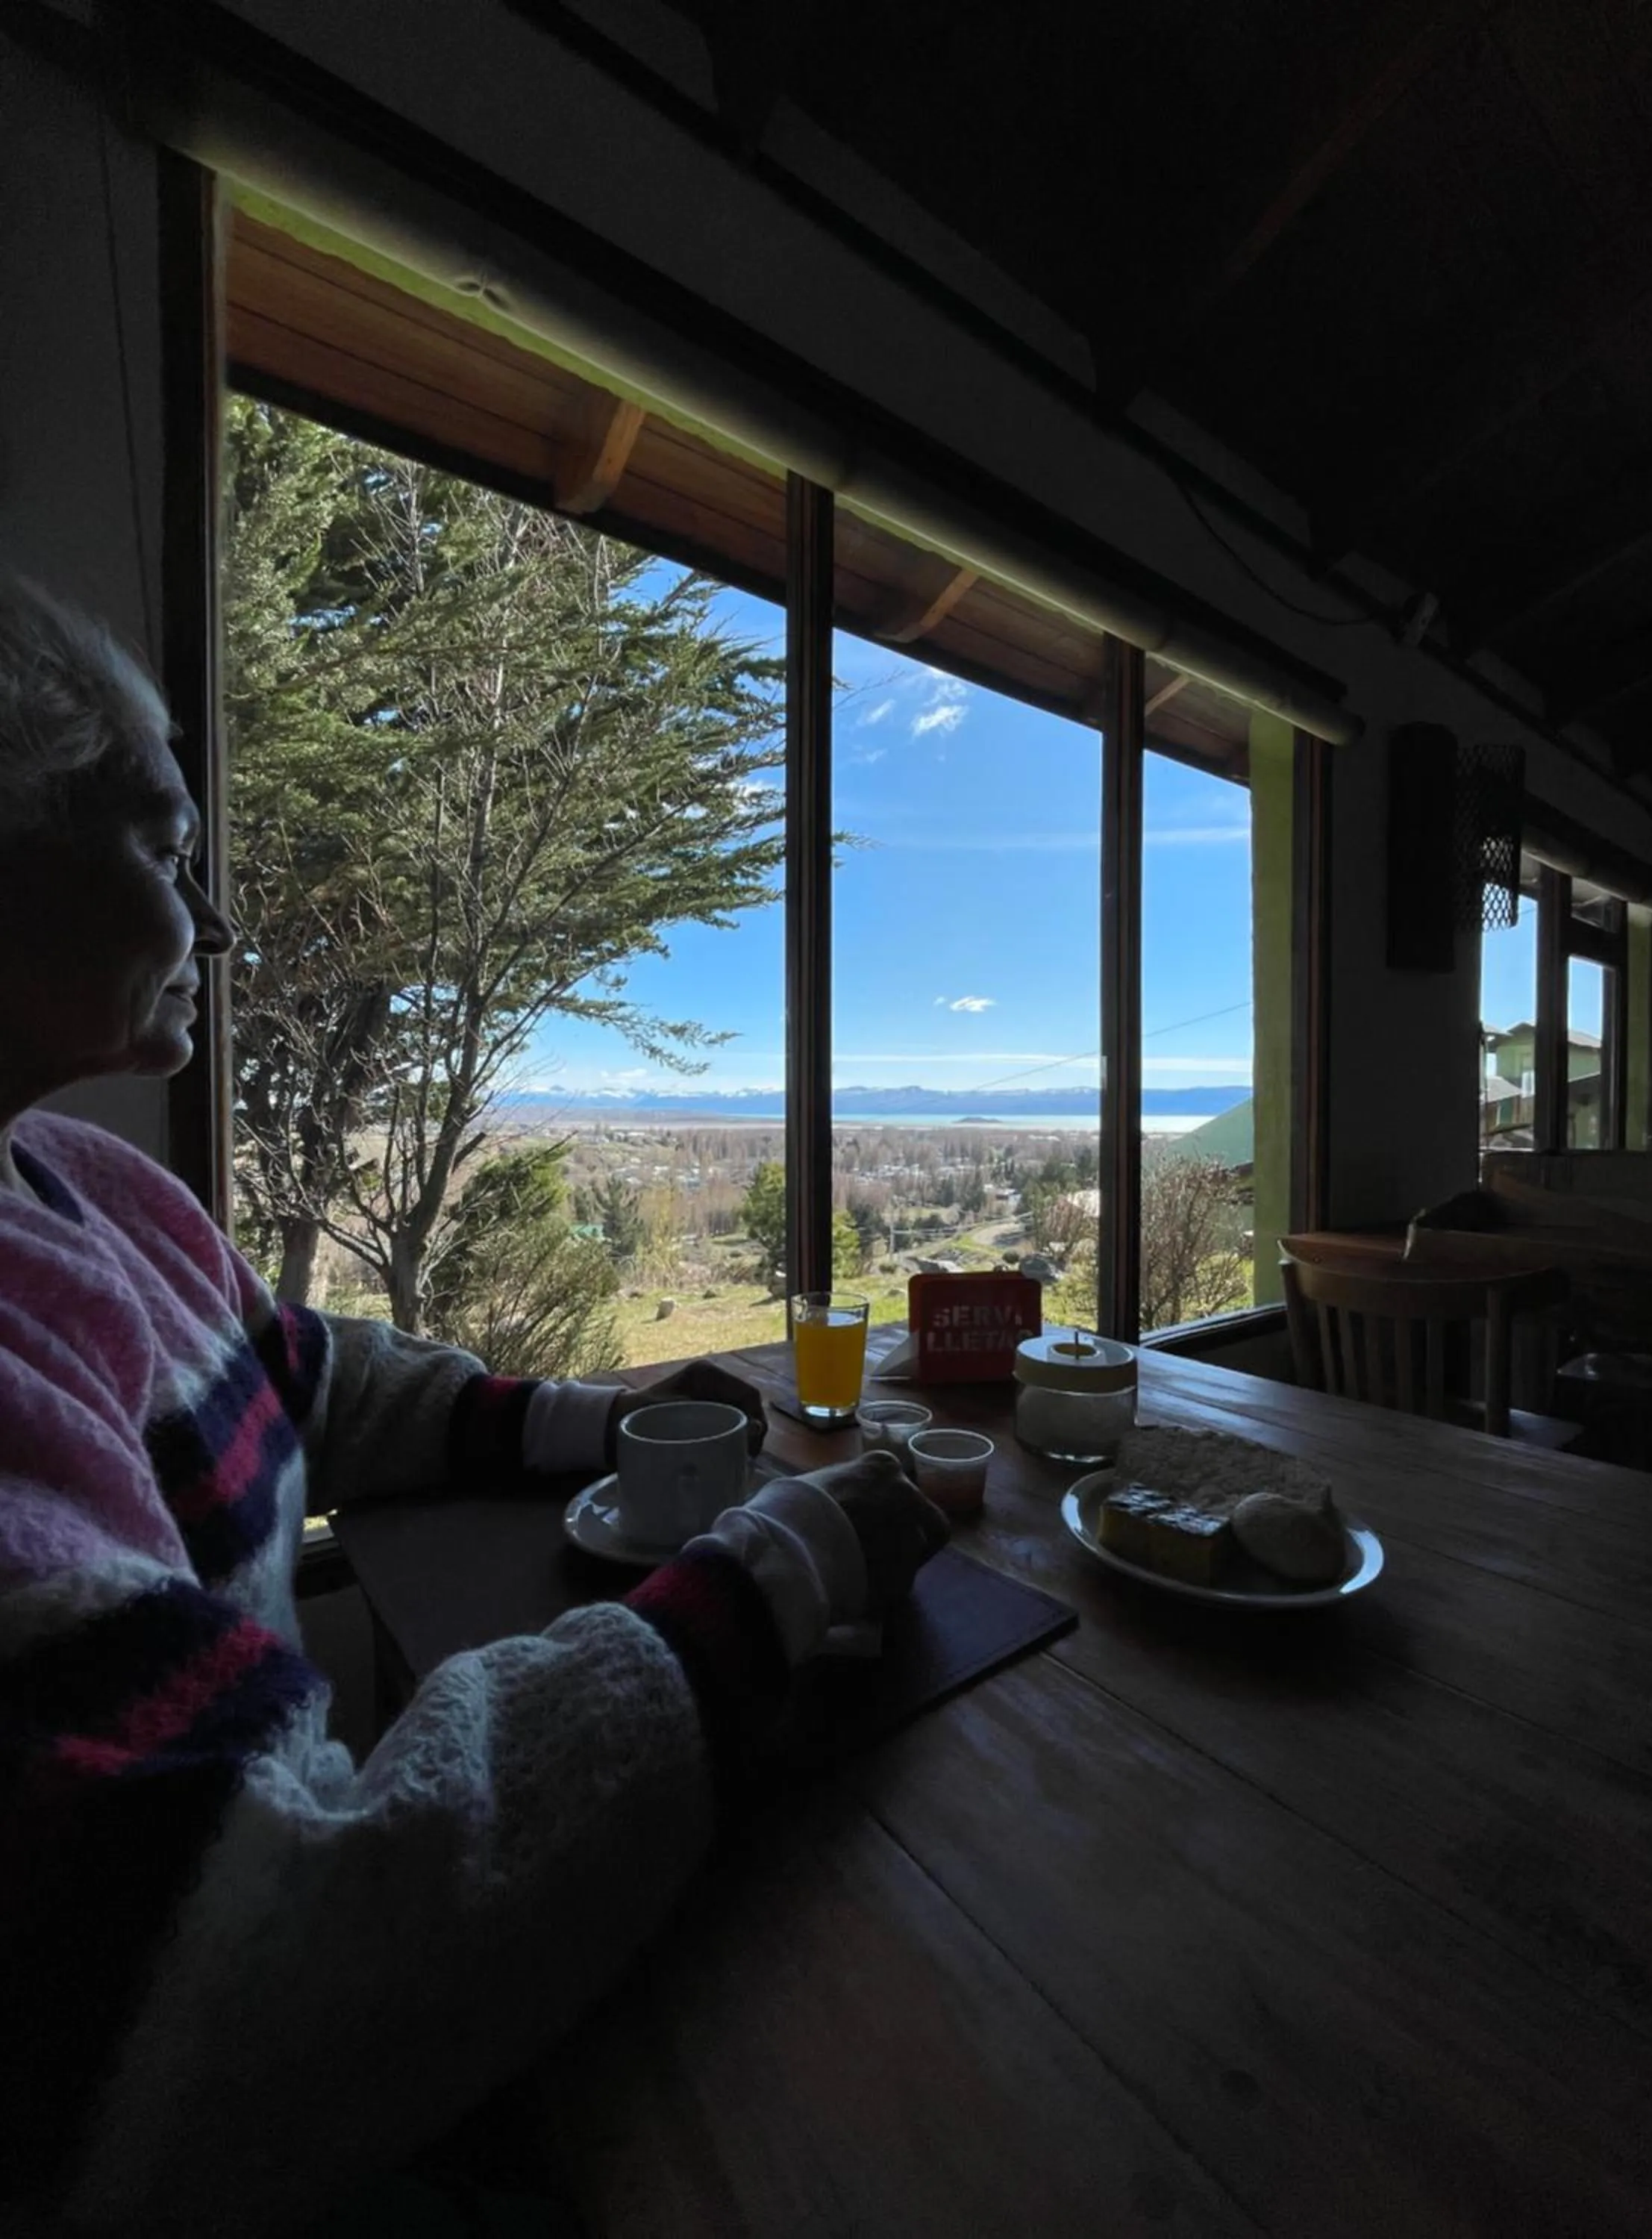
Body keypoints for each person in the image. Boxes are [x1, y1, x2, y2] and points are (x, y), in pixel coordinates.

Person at [0, 576, 948, 2235]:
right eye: (163, 848)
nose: (215, 923)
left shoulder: (78, 1184)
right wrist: (787, 1564)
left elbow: (310, 1376)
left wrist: (603, 1422)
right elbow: (262, 1966)